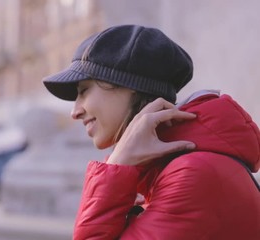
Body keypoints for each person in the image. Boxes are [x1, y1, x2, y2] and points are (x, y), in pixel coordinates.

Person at [43, 25, 260, 239]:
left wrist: (116, 166)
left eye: (83, 91)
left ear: (130, 85)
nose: (75, 111)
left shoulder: (191, 174)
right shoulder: (164, 170)